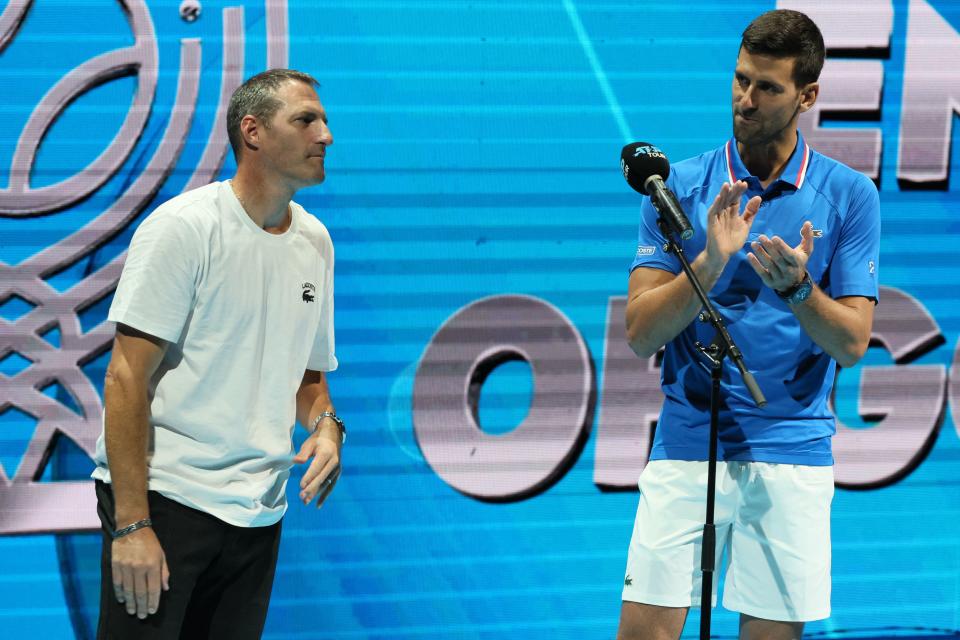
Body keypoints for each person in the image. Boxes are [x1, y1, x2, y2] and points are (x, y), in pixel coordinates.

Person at [617, 10, 879, 640]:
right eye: (739, 80)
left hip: (791, 454)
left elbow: (851, 342)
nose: (745, 99)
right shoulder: (676, 187)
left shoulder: (849, 196)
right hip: (687, 442)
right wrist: (709, 262)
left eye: (767, 87)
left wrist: (797, 289)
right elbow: (640, 333)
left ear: (807, 96)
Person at [90, 68, 344, 639]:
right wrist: (132, 524)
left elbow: (307, 378)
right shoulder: (183, 228)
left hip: (259, 514)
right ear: (252, 132)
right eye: (306, 120)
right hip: (166, 502)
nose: (325, 135)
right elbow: (126, 377)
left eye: (324, 121)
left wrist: (327, 428)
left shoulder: (316, 243)